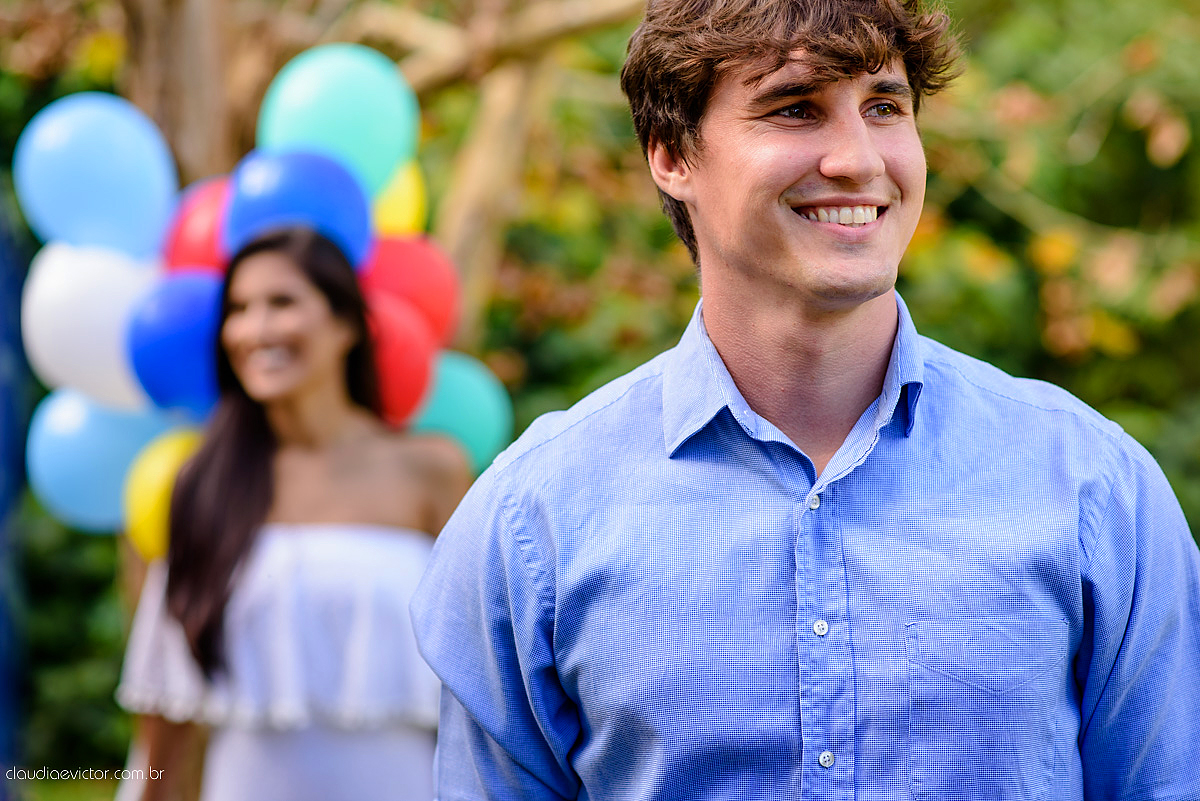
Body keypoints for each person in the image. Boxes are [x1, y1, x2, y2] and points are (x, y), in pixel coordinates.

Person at [410, 0, 1200, 798]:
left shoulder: (1094, 490)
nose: (858, 159)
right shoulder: (532, 522)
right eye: (795, 108)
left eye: (884, 107)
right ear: (671, 155)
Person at [114, 227, 471, 801]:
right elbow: (165, 713)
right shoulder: (203, 482)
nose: (256, 330)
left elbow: (486, 680)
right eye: (239, 309)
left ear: (346, 324)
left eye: (281, 303)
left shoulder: (430, 470)